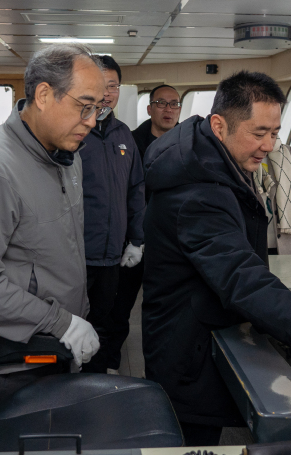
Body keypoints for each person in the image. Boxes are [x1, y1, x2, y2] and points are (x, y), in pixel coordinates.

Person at [142, 70, 291, 446]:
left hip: (199, 329)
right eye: (258, 133)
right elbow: (239, 275)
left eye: (275, 133)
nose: (269, 145)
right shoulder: (196, 192)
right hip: (187, 347)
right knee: (192, 442)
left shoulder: (214, 160)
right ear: (219, 126)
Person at [0, 44, 106, 402]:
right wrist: (61, 323)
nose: (92, 121)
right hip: (21, 356)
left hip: (60, 341)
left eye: (99, 108)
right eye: (84, 106)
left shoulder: (67, 156)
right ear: (44, 95)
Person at [101, 84, 183, 376]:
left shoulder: (189, 144)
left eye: (174, 104)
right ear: (149, 109)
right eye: (161, 103)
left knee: (166, 309)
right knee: (119, 305)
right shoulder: (130, 141)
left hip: (172, 242)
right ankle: (109, 363)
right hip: (134, 238)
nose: (168, 109)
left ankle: (164, 372)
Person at [80, 55, 145, 374]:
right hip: (76, 253)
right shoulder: (74, 131)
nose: (107, 94)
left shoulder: (124, 135)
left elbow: (136, 188)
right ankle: (65, 386)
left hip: (111, 256)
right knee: (74, 324)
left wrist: (137, 239)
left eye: (114, 86)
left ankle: (99, 382)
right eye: (102, 86)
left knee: (104, 323)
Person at [253, 138, 291, 254]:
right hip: (253, 244)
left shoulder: (286, 152)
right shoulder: (240, 153)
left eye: (274, 132)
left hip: (283, 245)